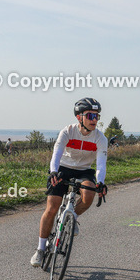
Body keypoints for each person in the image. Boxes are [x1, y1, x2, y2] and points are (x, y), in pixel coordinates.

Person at [30, 98, 109, 267]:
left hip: (84, 170)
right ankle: (40, 249)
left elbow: (101, 164)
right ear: (79, 117)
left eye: (96, 116)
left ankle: (72, 216)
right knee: (52, 208)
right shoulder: (67, 132)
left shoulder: (100, 138)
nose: (94, 120)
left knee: (89, 195)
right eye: (90, 116)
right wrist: (53, 171)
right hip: (63, 168)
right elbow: (56, 154)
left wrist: (100, 182)